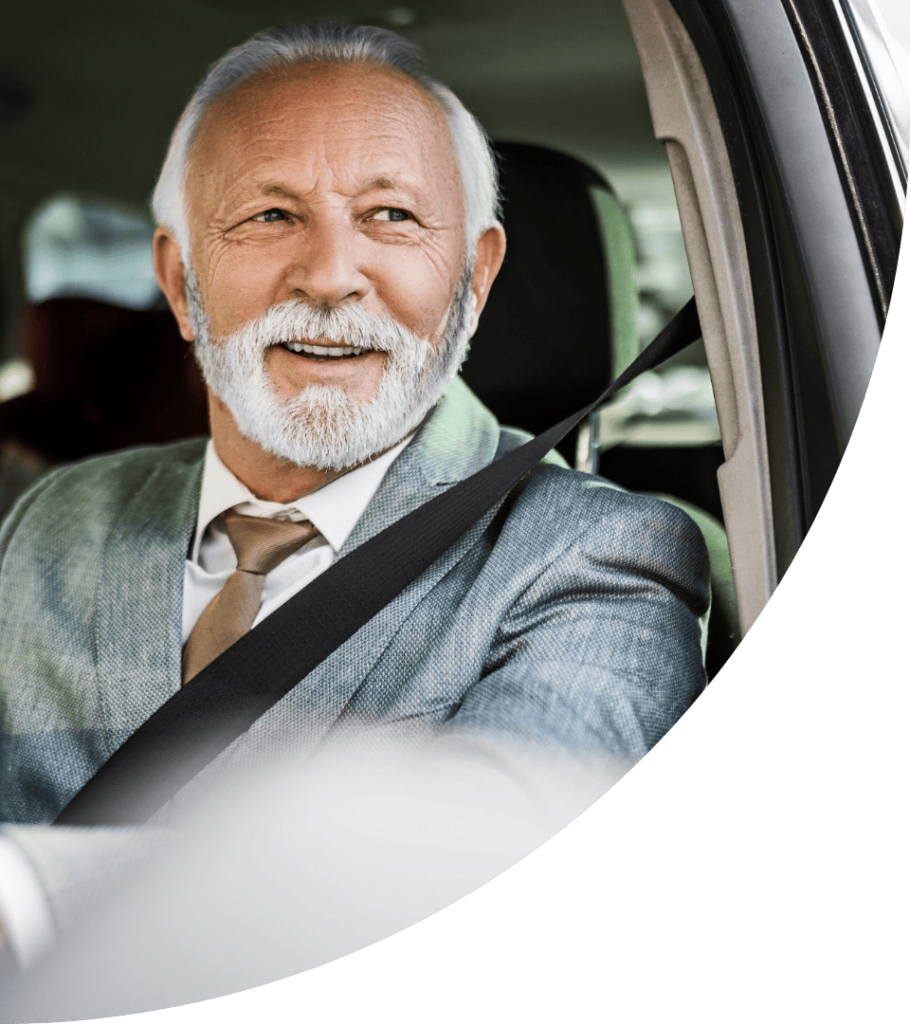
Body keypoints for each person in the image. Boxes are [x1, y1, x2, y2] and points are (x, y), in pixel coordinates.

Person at [0, 23, 710, 977]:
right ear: (179, 281)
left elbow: (485, 853)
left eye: (392, 217)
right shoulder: (53, 518)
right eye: (269, 216)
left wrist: (29, 895)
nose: (332, 277)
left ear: (476, 277)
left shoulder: (602, 553)